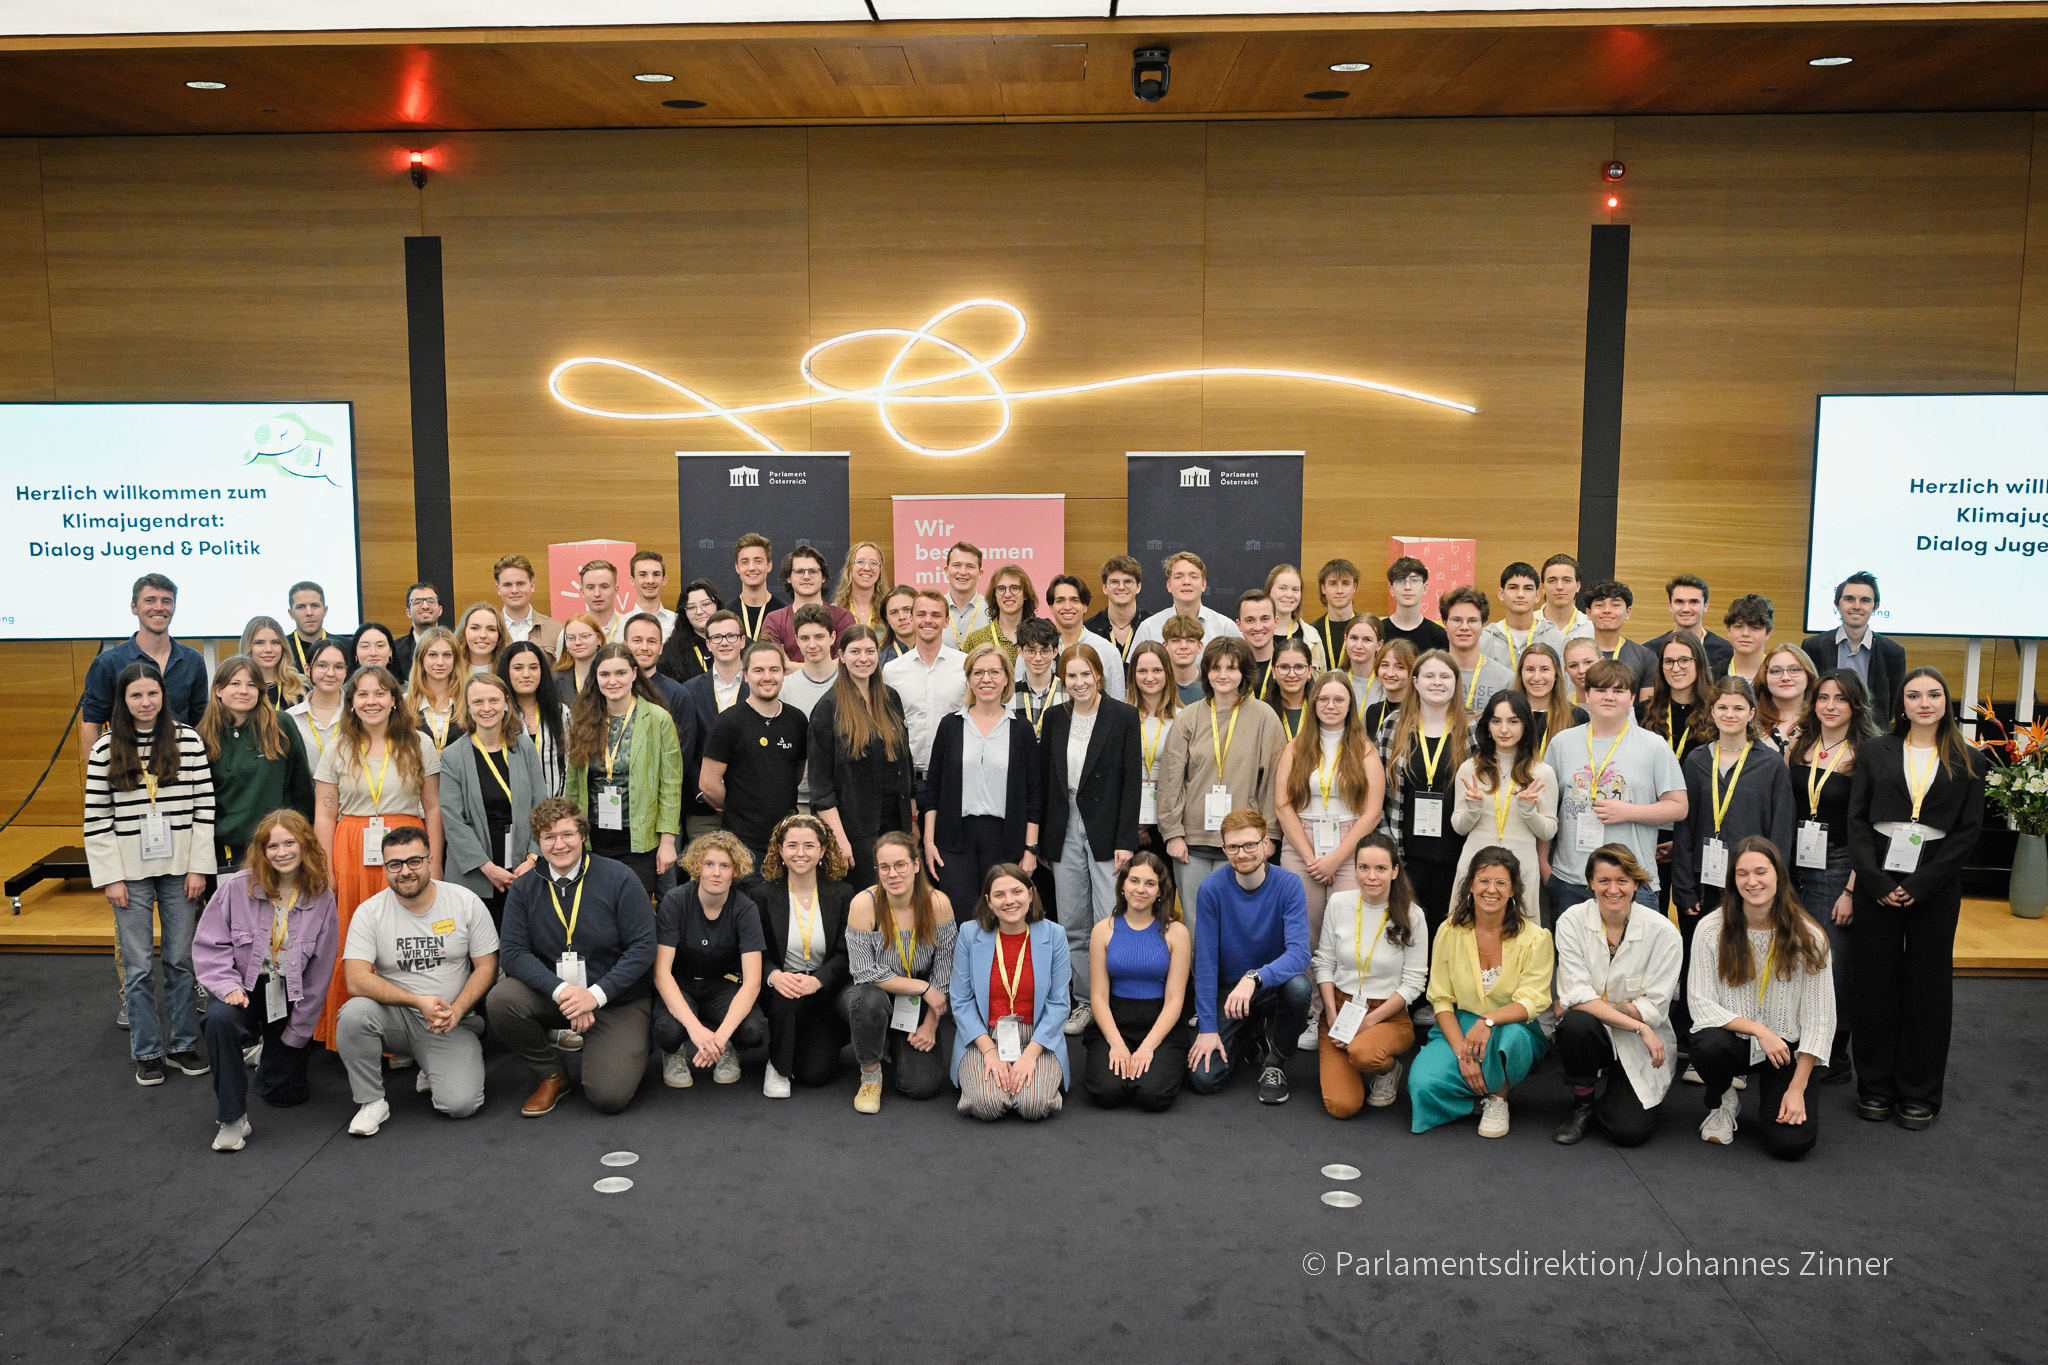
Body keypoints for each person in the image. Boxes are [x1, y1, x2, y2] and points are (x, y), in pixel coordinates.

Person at [1845, 665, 1984, 1129]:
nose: (1924, 702)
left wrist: (1921, 885)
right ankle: (1875, 1086)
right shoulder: (1874, 751)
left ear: (1946, 702)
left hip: (1937, 879)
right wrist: (1878, 883)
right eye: (1913, 695)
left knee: (1928, 988)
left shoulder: (1968, 756)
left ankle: (1919, 1092)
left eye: (1933, 694)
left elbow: (1968, 833)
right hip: (1877, 875)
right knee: (1875, 983)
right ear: (1901, 704)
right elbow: (1857, 821)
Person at [86, 661, 217, 1085]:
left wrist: (199, 867)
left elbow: (204, 809)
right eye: (136, 695)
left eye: (152, 694)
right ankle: (147, 1051)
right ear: (123, 701)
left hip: (181, 871)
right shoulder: (105, 748)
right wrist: (111, 877)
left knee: (180, 961)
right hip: (130, 874)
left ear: (164, 696)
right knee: (140, 966)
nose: (146, 702)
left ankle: (181, 1044)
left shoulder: (189, 740)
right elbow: (96, 816)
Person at [488, 798, 656, 1116]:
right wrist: (565, 992)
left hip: (615, 999)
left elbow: (643, 948)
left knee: (609, 1096)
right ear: (538, 842)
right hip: (557, 995)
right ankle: (553, 1073)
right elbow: (512, 953)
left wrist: (593, 996)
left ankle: (629, 1042)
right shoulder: (525, 887)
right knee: (502, 999)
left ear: (582, 835)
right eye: (549, 836)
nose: (559, 844)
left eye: (567, 834)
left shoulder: (620, 878)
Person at [312, 665, 443, 1047]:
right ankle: (353, 1032)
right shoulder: (337, 747)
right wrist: (325, 866)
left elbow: (433, 807)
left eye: (380, 693)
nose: (372, 701)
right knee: (353, 939)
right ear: (351, 702)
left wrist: (433, 860)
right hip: (351, 852)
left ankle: (405, 1034)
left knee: (402, 938)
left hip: (407, 848)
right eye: (363, 694)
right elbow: (324, 812)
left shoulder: (419, 743)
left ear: (393, 700)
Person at [336, 826, 497, 1135]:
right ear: (384, 867)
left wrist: (459, 1009)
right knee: (354, 1014)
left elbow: (487, 966)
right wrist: (416, 1001)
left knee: (460, 1105)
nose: (405, 871)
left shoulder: (465, 901)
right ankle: (372, 1102)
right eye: (394, 864)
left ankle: (433, 1063)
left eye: (414, 861)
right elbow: (355, 980)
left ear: (429, 859)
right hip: (394, 1017)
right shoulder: (369, 912)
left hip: (447, 1019)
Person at [192, 812, 336, 1153]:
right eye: (273, 845)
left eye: (290, 843)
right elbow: (209, 946)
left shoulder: (322, 897)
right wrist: (227, 987)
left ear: (305, 846)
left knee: (284, 1095)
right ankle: (232, 1118)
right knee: (219, 1021)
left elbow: (319, 975)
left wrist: (297, 1032)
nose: (282, 852)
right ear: (262, 850)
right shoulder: (234, 888)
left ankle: (264, 1050)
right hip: (240, 988)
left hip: (288, 993)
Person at [1687, 837, 1833, 1157]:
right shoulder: (1711, 929)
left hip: (1785, 1050)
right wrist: (1759, 1030)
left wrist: (1798, 1088)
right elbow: (1700, 1004)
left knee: (1791, 1146)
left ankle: (1780, 1093)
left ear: (1778, 875)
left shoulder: (1809, 936)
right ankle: (1724, 1099)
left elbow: (1820, 1020)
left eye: (1760, 871)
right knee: (1706, 1043)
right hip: (1734, 1040)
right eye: (1742, 874)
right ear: (1732, 880)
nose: (1752, 882)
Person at [1670, 679, 1797, 1035]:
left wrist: (1773, 890)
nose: (1730, 714)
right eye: (1723, 707)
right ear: (1712, 711)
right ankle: (1703, 1044)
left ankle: (1745, 1042)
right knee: (1704, 966)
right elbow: (1685, 830)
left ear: (1752, 714)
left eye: (1739, 708)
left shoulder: (1770, 765)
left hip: (1751, 887)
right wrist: (1684, 888)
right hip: (1702, 886)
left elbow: (1781, 833)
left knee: (1744, 966)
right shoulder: (1696, 761)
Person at [1410, 848, 1554, 1136]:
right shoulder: (1449, 931)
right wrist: (1464, 1054)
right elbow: (1440, 998)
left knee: (1509, 1040)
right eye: (1484, 880)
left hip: (1512, 1028)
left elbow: (1533, 1001)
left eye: (1501, 883)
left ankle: (1497, 1098)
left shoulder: (1536, 937)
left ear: (1513, 889)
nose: (1492, 890)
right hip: (1458, 1025)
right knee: (1422, 1085)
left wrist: (1487, 1021)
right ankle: (1475, 1095)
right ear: (1471, 886)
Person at [1041, 642, 1143, 1037]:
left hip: (1107, 830)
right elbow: (1049, 781)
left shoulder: (1122, 716)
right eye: (1071, 676)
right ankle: (1084, 1002)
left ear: (1099, 675)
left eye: (1086, 674)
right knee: (1070, 923)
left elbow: (1130, 782)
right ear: (1062, 679)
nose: (1079, 682)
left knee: (1108, 920)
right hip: (1064, 827)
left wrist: (1125, 840)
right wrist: (1048, 840)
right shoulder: (1053, 718)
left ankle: (1112, 1001)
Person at [1551, 845, 1683, 1147]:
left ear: (1636, 883)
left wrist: (1592, 1006)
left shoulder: (1664, 933)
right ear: (1590, 884)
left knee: (1628, 1132)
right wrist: (1638, 1024)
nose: (1613, 889)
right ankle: (1582, 1104)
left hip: (1640, 1044)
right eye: (1604, 881)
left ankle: (1616, 1091)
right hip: (1623, 1031)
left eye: (1622, 880)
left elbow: (1656, 1007)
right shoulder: (1571, 921)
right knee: (1576, 1024)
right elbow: (1576, 994)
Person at [1155, 638, 1285, 932]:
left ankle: (1240, 980)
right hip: (1193, 841)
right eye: (1216, 668)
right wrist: (1172, 832)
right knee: (1197, 922)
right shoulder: (1188, 717)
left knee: (1242, 924)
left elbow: (1274, 783)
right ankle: (1201, 980)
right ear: (1206, 672)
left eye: (1232, 668)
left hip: (1247, 843)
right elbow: (1171, 780)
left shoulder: (1264, 716)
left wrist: (1270, 835)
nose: (1223, 675)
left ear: (1245, 673)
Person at [1542, 660, 1686, 920]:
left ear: (1632, 698)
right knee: (1570, 960)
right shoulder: (1562, 743)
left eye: (1618, 691)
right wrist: (1544, 865)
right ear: (1587, 695)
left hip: (1632, 880)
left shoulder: (1653, 746)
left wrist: (1629, 812)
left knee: (1633, 959)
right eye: (1600, 690)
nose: (1609, 697)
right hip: (1570, 879)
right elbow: (1547, 807)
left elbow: (1679, 806)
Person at [1185, 810, 1311, 1104]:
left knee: (1299, 988)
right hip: (1231, 994)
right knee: (1203, 1078)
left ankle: (1275, 1061)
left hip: (1271, 987)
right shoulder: (1211, 888)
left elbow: (1299, 953)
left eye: (1250, 845)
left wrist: (1254, 977)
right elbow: (1204, 963)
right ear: (1224, 849)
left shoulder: (1289, 884)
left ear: (1266, 844)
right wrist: (1207, 1028)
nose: (1242, 854)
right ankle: (1252, 1034)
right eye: (1233, 847)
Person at [1787, 668, 1875, 1081]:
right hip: (1796, 865)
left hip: (1840, 866)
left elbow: (1869, 824)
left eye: (1840, 698)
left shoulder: (1867, 753)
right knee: (1800, 957)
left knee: (1833, 964)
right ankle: (1804, 1041)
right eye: (1823, 697)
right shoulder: (1800, 745)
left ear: (1854, 705)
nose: (1830, 706)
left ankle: (1835, 1054)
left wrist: (1853, 889)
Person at [920, 642, 1041, 918]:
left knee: (1001, 917)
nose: (986, 679)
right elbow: (933, 787)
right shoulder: (950, 725)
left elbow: (1034, 794)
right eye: (978, 672)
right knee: (960, 917)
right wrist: (929, 842)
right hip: (954, 839)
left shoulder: (1020, 728)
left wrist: (1030, 849)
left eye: (994, 672)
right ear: (969, 679)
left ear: (1007, 679)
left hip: (1006, 840)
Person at [1312, 833, 1428, 1119]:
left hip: (1388, 1014)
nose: (1371, 877)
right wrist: (1330, 1013)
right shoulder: (1339, 903)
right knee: (1343, 1106)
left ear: (1395, 870)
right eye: (1363, 868)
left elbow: (1414, 984)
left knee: (1364, 1053)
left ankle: (1388, 1069)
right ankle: (1354, 1059)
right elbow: (1324, 963)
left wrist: (1369, 1022)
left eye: (1380, 869)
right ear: (1354, 869)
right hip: (1340, 1010)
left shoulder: (1412, 916)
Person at [843, 830, 957, 1112]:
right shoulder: (863, 904)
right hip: (873, 995)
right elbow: (864, 972)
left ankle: (891, 1046)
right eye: (884, 867)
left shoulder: (938, 904)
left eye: (900, 865)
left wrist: (931, 1023)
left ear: (916, 865)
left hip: (918, 1003)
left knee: (922, 1087)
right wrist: (923, 988)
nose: (893, 874)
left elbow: (944, 970)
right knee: (867, 999)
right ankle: (870, 1073)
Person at [948, 864, 1072, 1121]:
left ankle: (1037, 1087)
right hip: (984, 1035)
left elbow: (1059, 1003)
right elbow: (960, 1000)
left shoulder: (1054, 935)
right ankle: (996, 1088)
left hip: (1038, 1036)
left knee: (1033, 1105)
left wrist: (1030, 1055)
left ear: (1030, 893)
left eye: (1017, 891)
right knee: (987, 1105)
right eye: (999, 895)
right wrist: (990, 1052)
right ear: (989, 902)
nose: (1010, 901)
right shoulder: (970, 934)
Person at [1276, 671, 1388, 947]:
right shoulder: (1295, 747)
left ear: (1350, 705)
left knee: (1347, 930)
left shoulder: (1365, 750)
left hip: (1349, 843)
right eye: (1323, 698)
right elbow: (1282, 804)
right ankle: (1309, 992)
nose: (1331, 705)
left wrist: (1336, 859)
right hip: (1301, 843)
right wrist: (1310, 856)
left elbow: (1372, 811)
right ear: (1313, 703)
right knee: (1304, 932)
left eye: (1339, 699)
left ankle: (1341, 991)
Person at [565, 642, 682, 897]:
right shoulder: (583, 719)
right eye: (605, 674)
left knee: (633, 910)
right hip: (592, 838)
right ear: (595, 678)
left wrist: (668, 842)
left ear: (634, 674)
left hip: (639, 839)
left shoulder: (658, 719)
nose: (612, 681)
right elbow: (573, 786)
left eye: (620, 673)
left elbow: (671, 785)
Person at [653, 831, 767, 1090]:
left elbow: (752, 983)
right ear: (697, 867)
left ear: (734, 871)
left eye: (725, 866)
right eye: (709, 864)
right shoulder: (676, 900)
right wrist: (695, 1030)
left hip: (722, 984)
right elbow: (661, 973)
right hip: (680, 982)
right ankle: (674, 1053)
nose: (716, 873)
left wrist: (720, 1038)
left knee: (752, 1030)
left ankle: (726, 1050)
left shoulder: (745, 908)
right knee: (669, 1031)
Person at [753, 814, 855, 1095]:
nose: (800, 853)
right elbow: (753, 952)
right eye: (792, 845)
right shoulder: (761, 896)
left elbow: (846, 953)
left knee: (815, 1074)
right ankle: (777, 1066)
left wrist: (819, 980)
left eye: (809, 846)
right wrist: (774, 975)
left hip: (823, 989)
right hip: (781, 989)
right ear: (780, 850)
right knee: (785, 999)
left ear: (822, 850)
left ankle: (798, 1048)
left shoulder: (843, 894)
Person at [1375, 650, 1471, 946]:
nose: (1437, 682)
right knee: (1408, 938)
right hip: (1406, 858)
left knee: (1450, 939)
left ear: (1456, 682)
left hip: (1458, 857)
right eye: (1429, 676)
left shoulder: (1474, 728)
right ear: (1415, 681)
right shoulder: (1393, 725)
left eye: (1445, 676)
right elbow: (1377, 792)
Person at [810, 625, 916, 890]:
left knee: (900, 896)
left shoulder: (891, 699)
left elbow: (905, 763)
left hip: (896, 825)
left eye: (870, 651)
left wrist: (912, 824)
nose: (863, 658)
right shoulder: (827, 708)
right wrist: (840, 840)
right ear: (841, 656)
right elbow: (821, 786)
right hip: (855, 830)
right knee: (867, 901)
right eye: (855, 651)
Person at [1084, 852, 1192, 1111]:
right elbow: (1098, 996)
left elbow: (1176, 999)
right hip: (1115, 1019)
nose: (1140, 889)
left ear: (1160, 891)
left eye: (1150, 883)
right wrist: (1117, 1044)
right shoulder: (1102, 930)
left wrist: (1146, 1049)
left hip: (1160, 1022)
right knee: (1106, 1093)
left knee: (1153, 1096)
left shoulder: (1177, 933)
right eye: (1134, 881)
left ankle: (1154, 1065)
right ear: (1123, 885)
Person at [438, 672, 544, 926]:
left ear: (506, 703)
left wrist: (533, 858)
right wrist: (486, 867)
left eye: (494, 700)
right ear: (468, 708)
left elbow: (540, 806)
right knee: (476, 948)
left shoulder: (523, 746)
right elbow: (453, 819)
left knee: (520, 945)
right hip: (474, 873)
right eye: (478, 702)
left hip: (523, 868)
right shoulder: (453, 756)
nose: (487, 708)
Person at [198, 655, 315, 868]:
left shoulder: (281, 725)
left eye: (251, 685)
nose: (244, 690)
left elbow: (302, 789)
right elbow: (202, 801)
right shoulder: (203, 736)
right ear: (218, 690)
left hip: (279, 846)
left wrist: (303, 835)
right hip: (227, 850)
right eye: (235, 683)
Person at [700, 640, 808, 869]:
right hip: (743, 845)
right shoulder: (729, 722)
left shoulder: (797, 720)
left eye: (774, 670)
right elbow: (708, 784)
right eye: (758, 670)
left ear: (783, 674)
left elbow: (796, 774)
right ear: (746, 675)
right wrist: (740, 808)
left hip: (787, 843)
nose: (767, 677)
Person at [1452, 690, 1557, 922]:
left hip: (1522, 867)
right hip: (1475, 863)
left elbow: (1548, 830)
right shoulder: (1470, 768)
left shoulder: (1542, 773)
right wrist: (1473, 810)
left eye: (1513, 721)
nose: (1504, 730)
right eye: (1496, 721)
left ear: (1526, 726)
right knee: (1469, 936)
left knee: (1519, 940)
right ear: (1487, 725)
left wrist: (1529, 812)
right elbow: (1459, 827)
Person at [82, 573, 208, 747]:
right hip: (127, 766)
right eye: (150, 600)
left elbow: (200, 723)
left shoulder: (193, 661)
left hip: (182, 767)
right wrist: (95, 772)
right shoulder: (108, 663)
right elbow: (91, 723)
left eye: (166, 601)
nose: (158, 607)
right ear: (134, 607)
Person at [678, 609, 750, 840]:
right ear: (708, 644)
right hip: (703, 812)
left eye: (731, 636)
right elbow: (686, 750)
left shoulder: (760, 686)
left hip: (750, 808)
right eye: (717, 637)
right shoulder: (689, 691)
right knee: (706, 874)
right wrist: (704, 793)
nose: (724, 643)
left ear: (742, 641)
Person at [1801, 570, 1907, 724]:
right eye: (1849, 599)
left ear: (1875, 607)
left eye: (1864, 600)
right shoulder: (1813, 647)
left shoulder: (1893, 652)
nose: (1857, 606)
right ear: (1837, 604)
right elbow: (1807, 696)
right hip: (1824, 730)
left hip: (1872, 736)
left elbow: (1894, 704)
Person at [882, 589, 966, 779]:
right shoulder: (892, 670)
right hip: (906, 777)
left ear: (946, 621)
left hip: (953, 774)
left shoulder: (965, 666)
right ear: (912, 618)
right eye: (921, 614)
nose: (928, 620)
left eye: (936, 615)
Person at [498, 639, 566, 799]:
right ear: (507, 672)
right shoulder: (497, 715)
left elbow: (570, 767)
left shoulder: (562, 713)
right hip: (511, 809)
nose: (526, 674)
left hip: (556, 809)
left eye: (533, 668)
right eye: (518, 668)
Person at [1127, 641, 1178, 854]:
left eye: (1157, 670)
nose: (1149, 678)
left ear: (1167, 673)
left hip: (1169, 824)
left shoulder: (1182, 719)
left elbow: (1184, 777)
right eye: (1142, 671)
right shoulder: (1121, 717)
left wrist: (1153, 819)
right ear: (1133, 675)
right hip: (1126, 822)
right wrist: (1135, 821)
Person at [1043, 573, 1126, 702]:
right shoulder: (1034, 650)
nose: (1067, 607)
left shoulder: (1107, 651)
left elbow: (1117, 705)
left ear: (1085, 606)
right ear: (1051, 607)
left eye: (1074, 600)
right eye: (1060, 600)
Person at [1132, 551, 1242, 647]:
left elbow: (1243, 668)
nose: (1186, 582)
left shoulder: (1226, 628)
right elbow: (1135, 670)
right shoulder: (1148, 628)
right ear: (1169, 585)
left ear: (1203, 585)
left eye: (1193, 577)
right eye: (1178, 577)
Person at [764, 546, 856, 657]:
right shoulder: (774, 620)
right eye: (799, 571)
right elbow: (771, 666)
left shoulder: (843, 617)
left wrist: (790, 666)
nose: (806, 577)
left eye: (813, 571)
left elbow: (846, 664)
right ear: (789, 577)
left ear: (823, 577)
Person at [1440, 585, 1516, 716]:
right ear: (1444, 623)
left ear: (1483, 625)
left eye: (1472, 620)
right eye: (1457, 620)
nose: (1464, 627)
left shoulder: (1506, 680)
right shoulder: (1428, 675)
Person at [1479, 561, 1564, 677]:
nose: (1520, 594)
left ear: (1537, 595)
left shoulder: (1557, 640)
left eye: (1528, 588)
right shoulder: (1484, 639)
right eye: (1513, 587)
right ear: (1501, 594)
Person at [1647, 574, 1734, 676]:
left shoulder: (1727, 651)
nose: (1686, 609)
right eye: (1679, 602)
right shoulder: (1651, 651)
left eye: (1694, 602)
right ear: (1670, 606)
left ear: (1705, 606)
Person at [1583, 580, 1658, 698]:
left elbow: (1646, 710)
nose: (1607, 610)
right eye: (1599, 605)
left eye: (1615, 605)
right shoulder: (1576, 654)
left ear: (1627, 613)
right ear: (1588, 613)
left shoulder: (1645, 656)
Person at [286, 639, 350, 770]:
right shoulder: (291, 718)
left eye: (338, 667)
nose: (330, 673)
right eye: (322, 666)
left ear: (346, 672)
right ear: (307, 669)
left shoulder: (358, 714)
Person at [777, 605, 842, 730]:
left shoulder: (850, 682)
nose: (812, 645)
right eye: (805, 638)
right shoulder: (784, 688)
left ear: (832, 637)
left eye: (819, 637)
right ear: (797, 641)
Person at [962, 563, 1038, 665]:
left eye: (1014, 588)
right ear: (995, 596)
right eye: (1001, 589)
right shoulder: (975, 640)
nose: (1007, 594)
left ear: (1025, 594)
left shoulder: (1040, 636)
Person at [404, 626, 466, 752]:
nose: (440, 662)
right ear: (421, 658)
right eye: (433, 655)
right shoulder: (404, 704)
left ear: (455, 659)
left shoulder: (468, 702)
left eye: (447, 655)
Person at [1516, 641, 1583, 752]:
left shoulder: (1577, 717)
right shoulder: (1507, 714)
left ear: (1556, 674)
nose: (1537, 677)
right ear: (1521, 674)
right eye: (1530, 669)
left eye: (1544, 669)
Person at [495, 553, 562, 657]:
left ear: (532, 585)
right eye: (507, 585)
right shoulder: (490, 630)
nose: (514, 590)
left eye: (520, 584)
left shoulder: (556, 630)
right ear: (498, 589)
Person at [1378, 556, 1449, 654]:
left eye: (1414, 580)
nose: (1407, 587)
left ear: (1425, 588)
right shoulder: (1378, 631)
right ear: (1391, 590)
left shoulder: (1440, 635)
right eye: (1400, 580)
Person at [1757, 644, 1819, 755]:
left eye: (1794, 670)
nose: (1785, 678)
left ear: (1808, 675)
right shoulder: (1748, 720)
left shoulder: (1821, 721)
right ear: (1765, 677)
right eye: (1776, 671)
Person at [657, 578, 722, 684]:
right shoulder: (672, 652)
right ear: (684, 613)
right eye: (691, 608)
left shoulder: (736, 642)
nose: (699, 612)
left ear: (717, 605)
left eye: (705, 604)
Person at [1085, 554, 1145, 666]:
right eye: (1114, 582)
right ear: (1104, 588)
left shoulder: (1152, 626)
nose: (1121, 587)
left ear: (1138, 587)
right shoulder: (1088, 629)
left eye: (1127, 581)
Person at [1010, 617, 1064, 739]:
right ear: (1020, 650)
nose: (1038, 658)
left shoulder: (1067, 693)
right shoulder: (1008, 694)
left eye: (1045, 651)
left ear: (1055, 652)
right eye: (1031, 651)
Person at [1262, 563, 1326, 667]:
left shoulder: (1312, 636)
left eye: (1295, 589)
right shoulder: (1254, 633)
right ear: (1269, 591)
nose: (1289, 595)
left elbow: (1320, 681)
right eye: (1283, 588)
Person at [237, 616, 305, 710]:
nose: (268, 649)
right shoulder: (236, 688)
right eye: (259, 643)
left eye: (275, 642)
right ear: (248, 646)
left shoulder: (300, 685)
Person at [1307, 558, 1362, 671]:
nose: (1339, 590)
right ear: (1323, 588)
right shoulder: (1311, 632)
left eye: (1345, 583)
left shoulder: (1367, 628)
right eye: (1333, 584)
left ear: (1354, 587)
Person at [732, 532, 787, 642]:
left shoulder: (785, 614)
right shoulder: (726, 613)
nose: (751, 568)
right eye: (745, 562)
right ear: (737, 567)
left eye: (758, 561)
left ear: (769, 565)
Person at [286, 581, 350, 676]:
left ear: (325, 610)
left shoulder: (347, 647)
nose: (309, 613)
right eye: (301, 607)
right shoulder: (281, 648)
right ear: (291, 613)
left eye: (315, 606)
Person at [1260, 636, 1315, 738]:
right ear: (1273, 671)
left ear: (1310, 671)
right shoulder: (1262, 713)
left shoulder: (1321, 710)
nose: (1292, 674)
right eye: (1284, 667)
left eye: (1299, 667)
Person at [939, 540, 990, 649]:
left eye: (970, 566)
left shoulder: (992, 610)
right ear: (946, 571)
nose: (963, 572)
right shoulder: (933, 610)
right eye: (957, 565)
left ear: (980, 573)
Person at [1538, 553, 1595, 647]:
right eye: (1552, 580)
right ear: (1543, 587)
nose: (1559, 587)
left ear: (1578, 586)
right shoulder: (1528, 625)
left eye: (1567, 580)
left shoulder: (1592, 627)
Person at [390, 581, 444, 679]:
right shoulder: (395, 650)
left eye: (431, 601)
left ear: (440, 610)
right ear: (408, 613)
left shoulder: (456, 644)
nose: (425, 606)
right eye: (417, 602)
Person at [1362, 639, 1415, 738]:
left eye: (1399, 667)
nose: (1390, 673)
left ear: (1412, 672)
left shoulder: (1420, 712)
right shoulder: (1373, 712)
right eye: (1385, 665)